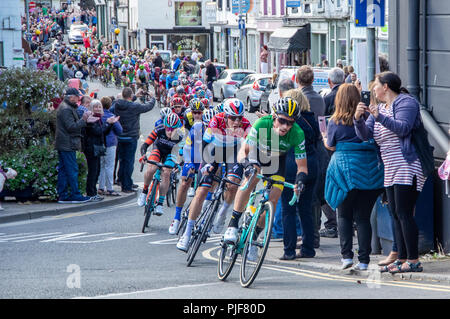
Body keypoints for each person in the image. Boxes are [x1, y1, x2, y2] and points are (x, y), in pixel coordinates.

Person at [354, 71, 426, 273]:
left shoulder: (405, 103)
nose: (373, 89)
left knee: (404, 213)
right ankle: (401, 257)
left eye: (376, 85)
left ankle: (413, 260)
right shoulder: (380, 108)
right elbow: (365, 135)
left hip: (407, 164)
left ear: (386, 86)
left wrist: (379, 117)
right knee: (395, 214)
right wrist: (358, 119)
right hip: (390, 166)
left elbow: (403, 128)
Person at [176, 98, 251, 251]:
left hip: (233, 153)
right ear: (225, 116)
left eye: (239, 118)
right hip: (213, 151)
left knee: (233, 183)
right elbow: (204, 143)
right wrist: (206, 163)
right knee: (202, 191)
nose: (236, 122)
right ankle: (187, 233)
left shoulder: (246, 124)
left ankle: (222, 213)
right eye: (232, 118)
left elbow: (251, 143)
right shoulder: (215, 121)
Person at [323, 84, 384, 270]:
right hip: (370, 171)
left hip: (345, 172)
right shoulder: (369, 118)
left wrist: (325, 138)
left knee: (344, 216)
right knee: (363, 218)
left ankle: (347, 258)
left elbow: (331, 146)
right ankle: (364, 261)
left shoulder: (335, 121)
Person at [277, 89, 321, 260]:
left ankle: (289, 250)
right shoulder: (312, 119)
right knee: (306, 209)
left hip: (293, 166)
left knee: (288, 210)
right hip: (312, 166)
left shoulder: (290, 123)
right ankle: (308, 249)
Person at [137, 113, 184, 216]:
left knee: (166, 173)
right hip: (158, 149)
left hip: (170, 154)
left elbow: (181, 153)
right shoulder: (159, 129)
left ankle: (160, 203)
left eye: (173, 129)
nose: (169, 131)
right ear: (164, 125)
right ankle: (144, 192)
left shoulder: (180, 136)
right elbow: (145, 144)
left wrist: (179, 164)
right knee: (151, 169)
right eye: (168, 128)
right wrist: (144, 156)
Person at [114, 87, 156, 193]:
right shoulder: (135, 106)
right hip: (130, 137)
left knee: (122, 160)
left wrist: (135, 96)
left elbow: (126, 103)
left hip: (119, 136)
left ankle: (121, 180)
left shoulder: (118, 104)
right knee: (129, 162)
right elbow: (148, 106)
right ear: (130, 95)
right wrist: (153, 98)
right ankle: (127, 186)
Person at [55, 88, 92, 204]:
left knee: (64, 170)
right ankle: (75, 194)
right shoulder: (66, 109)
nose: (78, 100)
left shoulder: (66, 107)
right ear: (71, 97)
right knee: (71, 169)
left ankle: (63, 195)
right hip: (67, 143)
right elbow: (71, 127)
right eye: (77, 97)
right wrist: (84, 120)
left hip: (64, 143)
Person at [83, 99, 120, 201]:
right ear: (91, 108)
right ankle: (91, 193)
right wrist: (108, 123)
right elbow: (98, 131)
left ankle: (94, 192)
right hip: (91, 147)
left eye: (99, 107)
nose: (98, 109)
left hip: (98, 146)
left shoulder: (98, 118)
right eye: (95, 107)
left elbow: (104, 133)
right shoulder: (91, 118)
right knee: (93, 171)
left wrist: (110, 124)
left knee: (97, 170)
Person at [98, 96, 123, 197]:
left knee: (102, 165)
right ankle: (109, 188)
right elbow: (120, 130)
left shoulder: (98, 116)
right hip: (111, 143)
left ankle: (100, 187)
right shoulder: (111, 116)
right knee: (109, 166)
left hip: (100, 143)